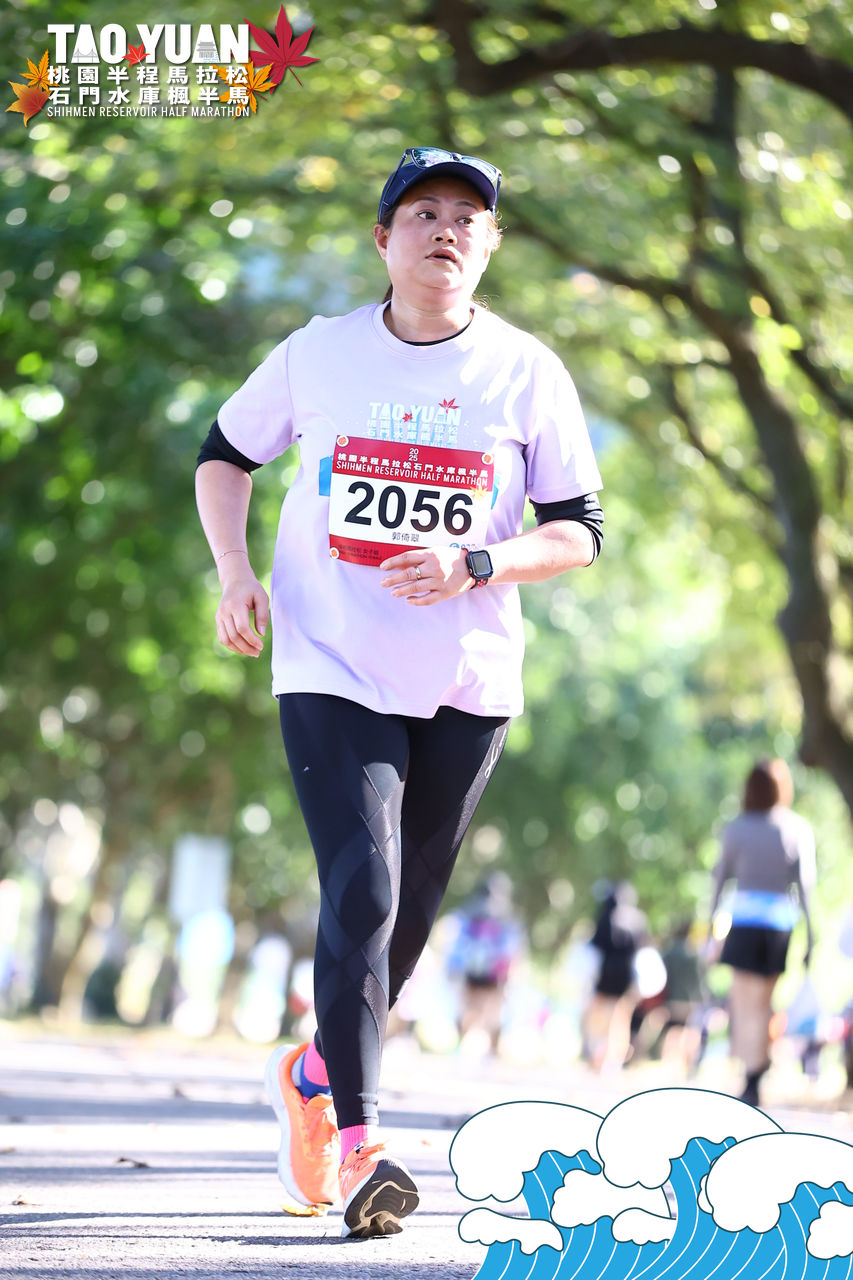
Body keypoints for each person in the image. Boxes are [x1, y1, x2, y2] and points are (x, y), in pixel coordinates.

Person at [195, 145, 603, 1237]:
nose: (445, 229)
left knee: (408, 921)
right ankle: (365, 1145)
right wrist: (235, 571)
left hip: (468, 678)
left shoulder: (526, 372)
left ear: (491, 245)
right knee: (363, 889)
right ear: (383, 240)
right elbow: (224, 454)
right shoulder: (317, 354)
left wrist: (480, 562)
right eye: (421, 212)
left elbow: (578, 529)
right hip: (331, 660)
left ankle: (313, 1074)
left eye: (467, 216)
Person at [710, 758, 815, 1107]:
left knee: (745, 1003)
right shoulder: (796, 828)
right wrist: (811, 936)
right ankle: (756, 1073)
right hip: (778, 926)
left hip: (744, 922)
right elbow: (805, 887)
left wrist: (711, 928)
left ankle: (752, 1074)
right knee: (763, 1002)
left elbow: (719, 880)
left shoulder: (736, 828)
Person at [447, 871, 524, 1056]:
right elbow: (511, 948)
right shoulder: (505, 918)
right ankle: (481, 1048)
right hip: (487, 972)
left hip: (481, 971)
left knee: (477, 1008)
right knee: (485, 1010)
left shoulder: (469, 913)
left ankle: (475, 1046)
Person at [583, 881, 647, 1070]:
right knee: (620, 1018)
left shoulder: (606, 916)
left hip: (605, 976)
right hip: (625, 978)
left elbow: (595, 946)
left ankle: (598, 1053)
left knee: (599, 1017)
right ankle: (613, 1058)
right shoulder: (638, 920)